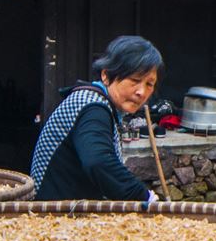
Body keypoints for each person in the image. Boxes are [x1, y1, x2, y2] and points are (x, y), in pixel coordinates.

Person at [31, 35, 162, 201]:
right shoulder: (93, 108)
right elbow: (99, 162)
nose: (141, 92)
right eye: (135, 80)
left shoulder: (99, 103)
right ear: (106, 75)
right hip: (53, 211)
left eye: (149, 84)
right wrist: (143, 196)